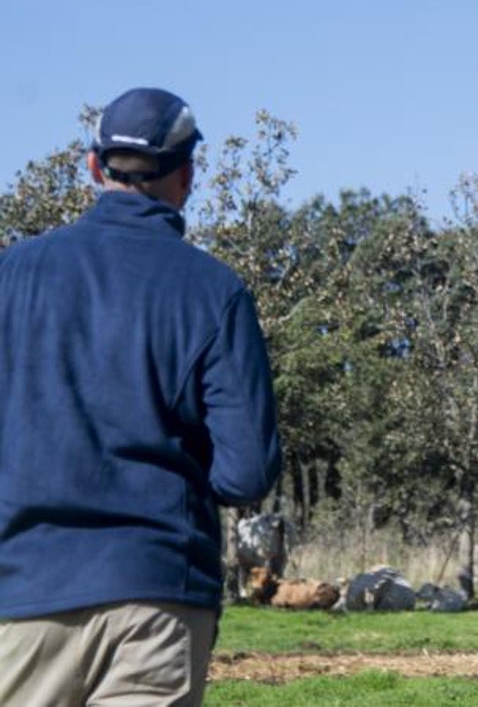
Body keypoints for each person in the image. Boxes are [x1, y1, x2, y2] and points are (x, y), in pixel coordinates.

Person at [0, 87, 282, 705]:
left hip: (23, 595)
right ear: (187, 174)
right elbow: (246, 473)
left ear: (94, 166)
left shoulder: (12, 275)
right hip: (156, 594)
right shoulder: (214, 292)